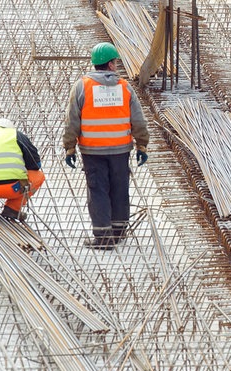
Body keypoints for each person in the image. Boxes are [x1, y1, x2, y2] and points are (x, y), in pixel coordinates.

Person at [63, 42, 149, 250]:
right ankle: (119, 231)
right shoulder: (124, 87)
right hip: (120, 149)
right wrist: (142, 145)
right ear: (110, 64)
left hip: (93, 151)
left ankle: (103, 236)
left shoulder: (82, 86)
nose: (117, 65)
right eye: (115, 62)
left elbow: (72, 120)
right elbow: (138, 120)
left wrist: (70, 147)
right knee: (120, 189)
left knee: (98, 190)